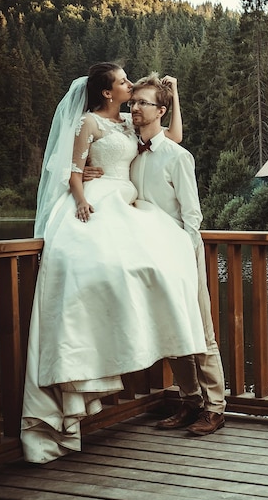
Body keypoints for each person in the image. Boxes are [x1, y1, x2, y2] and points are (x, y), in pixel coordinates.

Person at [21, 62, 207, 463]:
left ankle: (171, 372)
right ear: (107, 92)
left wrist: (175, 98)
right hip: (100, 198)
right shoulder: (88, 122)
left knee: (153, 269)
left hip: (129, 201)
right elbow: (71, 169)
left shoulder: (128, 122)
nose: (130, 87)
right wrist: (83, 193)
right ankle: (90, 367)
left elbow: (173, 137)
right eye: (124, 82)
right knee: (98, 268)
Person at [85, 72, 227, 436]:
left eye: (142, 103)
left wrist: (184, 250)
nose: (134, 107)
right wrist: (87, 173)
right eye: (133, 102)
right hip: (149, 251)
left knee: (201, 331)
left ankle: (215, 408)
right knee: (172, 327)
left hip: (181, 252)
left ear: (160, 110)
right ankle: (189, 400)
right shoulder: (131, 149)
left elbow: (192, 214)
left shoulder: (177, 156)